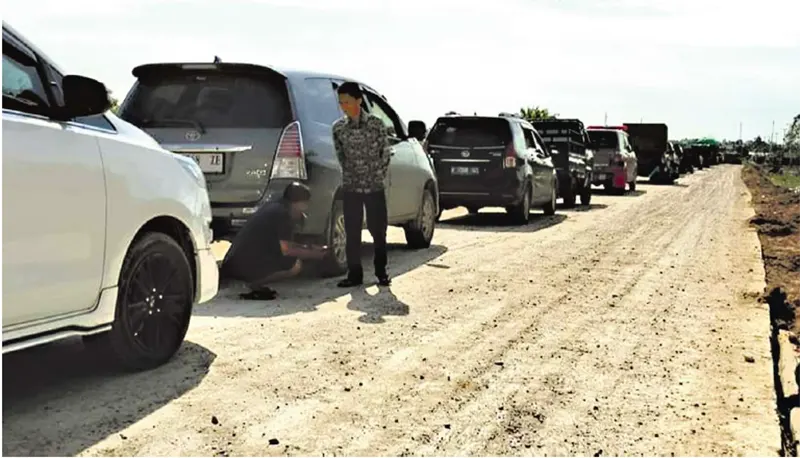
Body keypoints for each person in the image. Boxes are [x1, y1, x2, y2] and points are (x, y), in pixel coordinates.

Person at [220, 182, 328, 300]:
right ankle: (250, 283)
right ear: (299, 203)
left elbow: (284, 244)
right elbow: (287, 250)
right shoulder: (283, 215)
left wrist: (308, 247)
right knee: (295, 265)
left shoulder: (276, 206)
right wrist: (315, 254)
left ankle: (251, 282)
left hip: (235, 263)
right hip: (241, 266)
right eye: (305, 204)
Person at [332, 82, 392, 288]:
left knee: (378, 231)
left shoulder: (376, 124)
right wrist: (351, 176)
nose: (344, 106)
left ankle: (381, 272)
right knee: (352, 231)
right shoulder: (338, 128)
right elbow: (341, 157)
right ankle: (354, 274)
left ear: (358, 100)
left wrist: (376, 175)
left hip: (374, 186)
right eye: (341, 103)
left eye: (347, 101)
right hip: (352, 187)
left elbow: (385, 153)